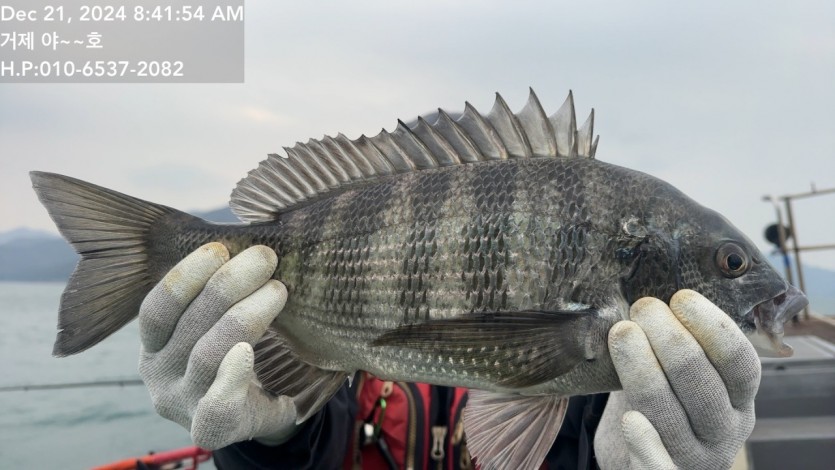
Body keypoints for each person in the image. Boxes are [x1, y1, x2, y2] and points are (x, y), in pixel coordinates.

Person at [138, 244, 760, 469]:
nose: (741, 279)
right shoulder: (337, 371)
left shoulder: (602, 397)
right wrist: (262, 442)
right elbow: (310, 432)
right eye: (730, 265)